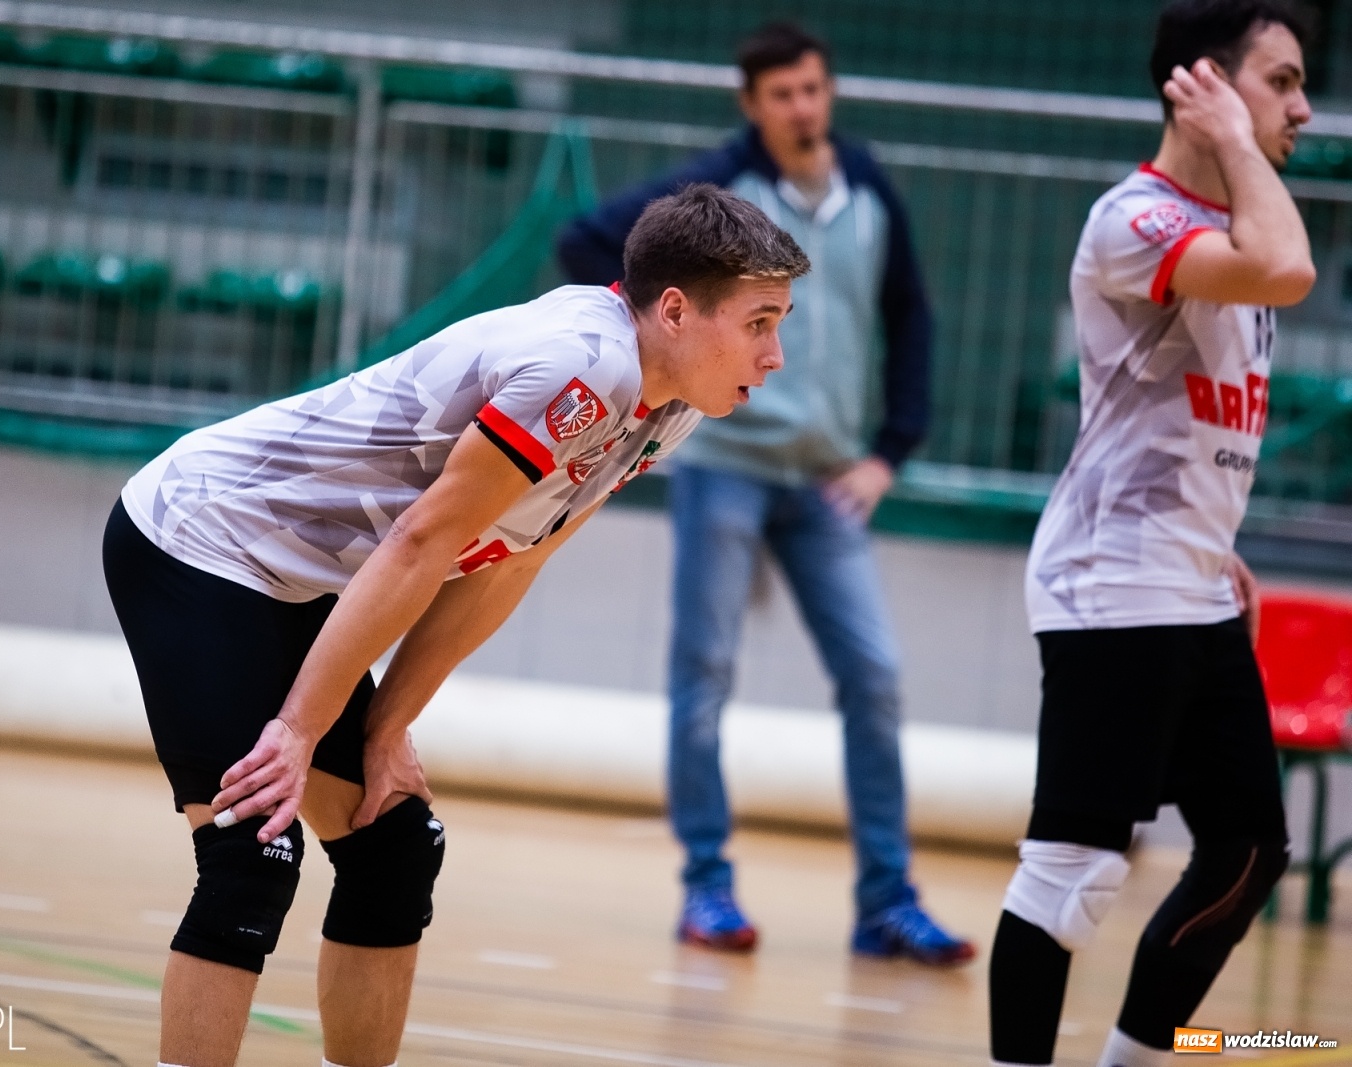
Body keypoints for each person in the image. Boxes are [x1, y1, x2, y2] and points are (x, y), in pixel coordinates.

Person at [101, 184, 808, 1067]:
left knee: (395, 843)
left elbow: (512, 558)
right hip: (201, 539)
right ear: (674, 310)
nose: (775, 353)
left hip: (300, 579)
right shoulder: (586, 368)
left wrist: (386, 729)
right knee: (255, 852)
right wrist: (298, 728)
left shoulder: (674, 405)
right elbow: (420, 542)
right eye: (760, 322)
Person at [558, 22, 970, 963]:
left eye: (814, 89)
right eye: (782, 94)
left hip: (828, 481)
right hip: (724, 468)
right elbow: (581, 240)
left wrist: (891, 450)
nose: (803, 108)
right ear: (752, 105)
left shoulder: (868, 192)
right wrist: (647, 385)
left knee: (875, 677)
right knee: (702, 681)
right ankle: (707, 889)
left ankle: (886, 903)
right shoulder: (717, 197)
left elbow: (912, 318)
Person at [988, 3, 1316, 1065]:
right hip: (1111, 583)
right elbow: (1286, 268)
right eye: (1280, 80)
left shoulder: (1227, 226)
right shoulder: (1133, 219)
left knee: (1246, 850)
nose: (1303, 107)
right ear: (1205, 84)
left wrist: (1213, 535)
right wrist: (1229, 138)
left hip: (1190, 579)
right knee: (1074, 865)